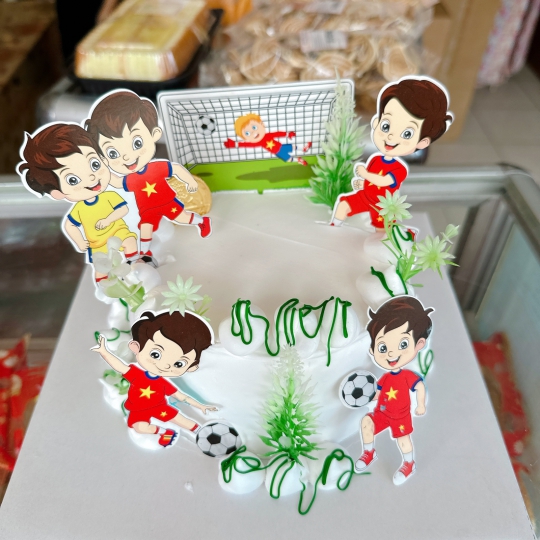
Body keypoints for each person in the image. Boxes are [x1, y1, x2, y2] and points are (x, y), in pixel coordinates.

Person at [85, 91, 212, 263]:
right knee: (145, 230)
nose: (127, 156)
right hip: (147, 210)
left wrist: (189, 181)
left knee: (182, 218)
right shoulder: (131, 179)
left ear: (155, 134)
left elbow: (175, 169)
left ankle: (202, 222)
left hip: (167, 203)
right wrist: (101, 173)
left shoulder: (156, 168)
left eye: (136, 143)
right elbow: (117, 182)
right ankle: (144, 255)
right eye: (113, 153)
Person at [17, 123, 139, 283]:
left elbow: (123, 210)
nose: (91, 177)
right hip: (97, 244)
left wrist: (108, 220)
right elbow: (70, 225)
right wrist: (80, 242)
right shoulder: (79, 209)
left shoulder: (109, 196)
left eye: (94, 164)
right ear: (57, 193)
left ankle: (135, 266)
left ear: (103, 158)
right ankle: (104, 285)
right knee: (100, 267)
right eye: (73, 179)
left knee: (130, 242)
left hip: (118, 232)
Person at [331, 76, 453, 230]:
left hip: (382, 206)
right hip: (365, 197)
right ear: (376, 122)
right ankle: (332, 228)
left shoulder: (399, 169)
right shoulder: (375, 160)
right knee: (343, 204)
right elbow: (372, 184)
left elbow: (383, 182)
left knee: (381, 231)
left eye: (407, 134)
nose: (391, 136)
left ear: (422, 143)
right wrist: (362, 184)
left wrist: (365, 175)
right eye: (386, 126)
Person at [92, 310, 217, 448]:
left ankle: (202, 431)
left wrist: (200, 406)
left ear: (191, 367)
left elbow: (181, 396)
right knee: (140, 427)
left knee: (181, 420)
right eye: (156, 354)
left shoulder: (163, 383)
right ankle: (165, 432)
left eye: (178, 364)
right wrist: (105, 352)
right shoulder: (136, 374)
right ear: (136, 346)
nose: (165, 365)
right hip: (138, 409)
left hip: (159, 407)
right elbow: (120, 366)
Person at [355, 296, 433, 485]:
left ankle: (409, 464)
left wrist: (420, 405)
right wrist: (370, 399)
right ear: (372, 350)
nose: (391, 353)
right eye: (382, 347)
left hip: (401, 416)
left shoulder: (407, 375)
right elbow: (379, 391)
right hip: (383, 413)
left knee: (403, 440)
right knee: (366, 422)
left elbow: (419, 386)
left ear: (419, 344)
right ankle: (369, 452)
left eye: (403, 344)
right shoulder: (386, 377)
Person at [224, 113, 311, 166]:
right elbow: (248, 144)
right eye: (247, 133)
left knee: (293, 147)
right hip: (277, 152)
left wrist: (288, 134)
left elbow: (277, 134)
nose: (254, 133)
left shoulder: (267, 135)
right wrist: (235, 144)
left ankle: (303, 148)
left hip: (281, 147)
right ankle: (298, 160)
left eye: (254, 127)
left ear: (261, 124)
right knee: (288, 159)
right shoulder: (258, 142)